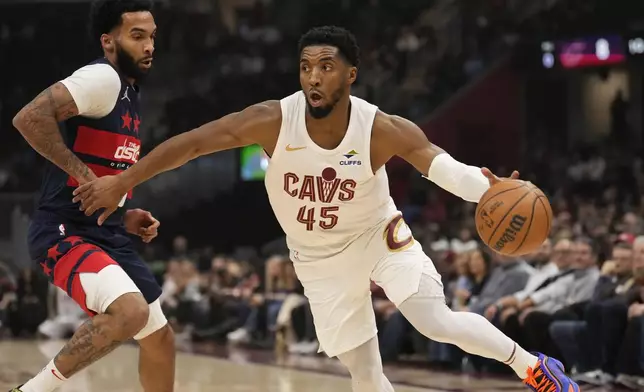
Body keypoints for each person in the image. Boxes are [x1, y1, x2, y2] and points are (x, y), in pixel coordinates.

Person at [74, 26, 578, 391]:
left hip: (378, 237)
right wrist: (124, 180)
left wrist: (485, 190)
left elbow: (441, 167)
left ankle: (530, 366)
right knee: (365, 375)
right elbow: (190, 145)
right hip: (317, 260)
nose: (313, 77)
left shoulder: (381, 127)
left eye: (327, 66)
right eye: (306, 66)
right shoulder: (273, 120)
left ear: (351, 74)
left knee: (433, 320)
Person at [9, 1, 175, 391]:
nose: (149, 46)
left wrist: (122, 209)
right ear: (109, 42)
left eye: (152, 36)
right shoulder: (103, 79)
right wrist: (88, 180)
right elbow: (29, 118)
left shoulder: (131, 94)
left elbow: (106, 173)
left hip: (105, 230)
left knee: (161, 340)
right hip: (63, 231)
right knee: (129, 312)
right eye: (137, 36)